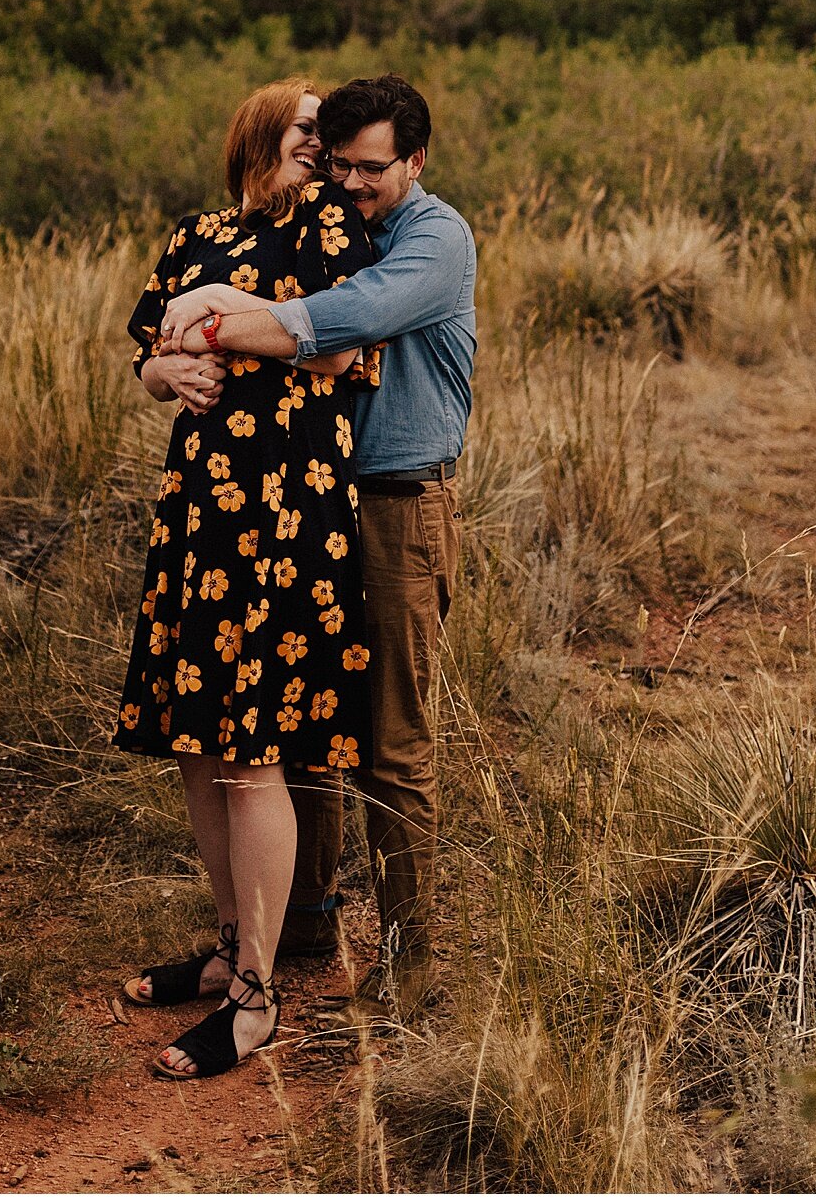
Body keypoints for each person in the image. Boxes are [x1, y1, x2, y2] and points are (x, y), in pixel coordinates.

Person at [160, 72, 476, 1018]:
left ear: (414, 161)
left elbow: (340, 327)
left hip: (394, 508)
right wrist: (165, 360)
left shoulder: (433, 239)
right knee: (300, 730)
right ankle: (302, 932)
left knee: (391, 746)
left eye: (369, 167)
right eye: (337, 162)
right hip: (309, 504)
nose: (350, 181)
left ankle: (413, 965)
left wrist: (210, 312)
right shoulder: (323, 226)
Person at [113, 78, 382, 1079]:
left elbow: (344, 346)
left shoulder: (329, 227)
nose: (328, 146)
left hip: (287, 513)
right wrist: (166, 371)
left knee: (254, 751)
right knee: (198, 743)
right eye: (312, 129)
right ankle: (228, 948)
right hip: (200, 513)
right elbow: (148, 351)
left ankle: (257, 997)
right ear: (261, 134)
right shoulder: (198, 233)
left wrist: (216, 320)